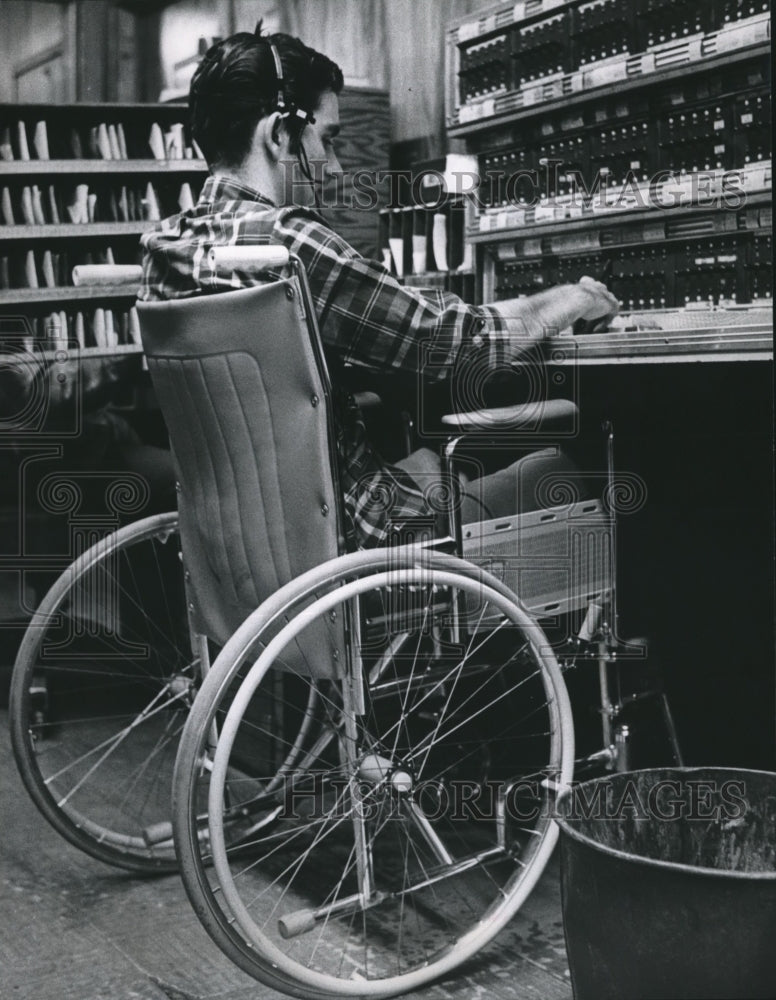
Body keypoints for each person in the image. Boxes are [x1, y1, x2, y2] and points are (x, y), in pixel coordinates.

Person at [139, 26, 619, 548]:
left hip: (235, 546)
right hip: (353, 543)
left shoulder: (164, 248)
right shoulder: (290, 244)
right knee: (562, 466)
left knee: (428, 462)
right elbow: (451, 344)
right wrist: (567, 300)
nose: (335, 168)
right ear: (278, 134)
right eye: (328, 140)